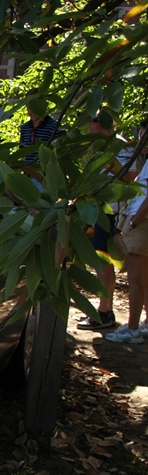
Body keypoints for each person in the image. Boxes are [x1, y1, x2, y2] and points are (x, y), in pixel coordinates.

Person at [77, 112, 136, 330]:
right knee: (99, 260)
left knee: (103, 260)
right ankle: (105, 310)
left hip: (112, 211)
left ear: (111, 128)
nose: (95, 138)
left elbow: (131, 177)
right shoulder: (94, 148)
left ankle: (104, 313)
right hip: (95, 210)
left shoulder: (122, 147)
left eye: (100, 133)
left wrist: (110, 166)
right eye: (92, 134)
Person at [106, 118, 148, 344]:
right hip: (138, 221)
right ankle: (144, 323)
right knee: (144, 277)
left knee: (135, 279)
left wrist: (135, 221)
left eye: (143, 136)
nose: (140, 141)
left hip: (141, 224)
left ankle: (132, 329)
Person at [20, 99, 60, 163]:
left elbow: (59, 153)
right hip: (27, 168)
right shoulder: (25, 128)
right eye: (29, 108)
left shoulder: (55, 128)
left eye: (35, 108)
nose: (32, 112)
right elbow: (21, 152)